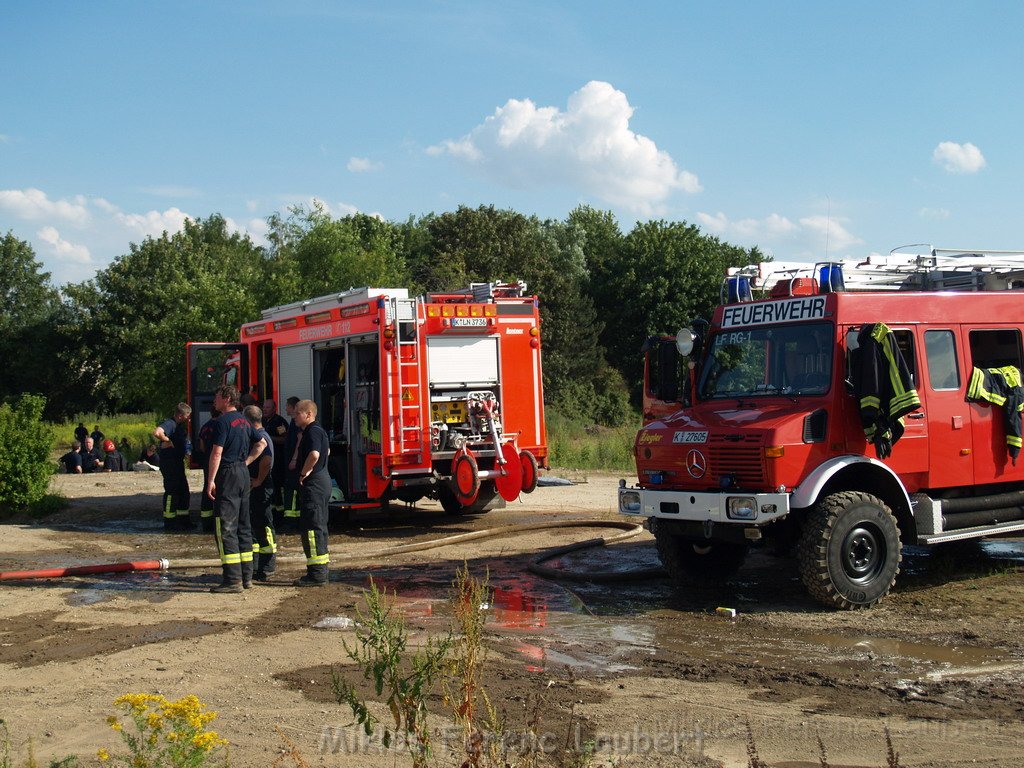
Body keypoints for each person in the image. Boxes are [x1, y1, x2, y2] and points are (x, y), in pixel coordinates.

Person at [206, 385, 267, 593]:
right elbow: (262, 445)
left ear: (225, 398)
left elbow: (216, 454)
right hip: (242, 472)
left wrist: (210, 480)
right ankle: (246, 577)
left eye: (216, 396)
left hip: (228, 474)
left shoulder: (222, 422)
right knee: (243, 525)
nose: (214, 400)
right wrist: (246, 462)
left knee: (225, 527)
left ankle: (232, 580)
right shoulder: (244, 420)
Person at [293, 399, 332, 587]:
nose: (293, 417)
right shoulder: (319, 431)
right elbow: (328, 451)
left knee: (312, 528)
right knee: (318, 526)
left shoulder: (312, 431)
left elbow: (315, 454)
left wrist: (305, 471)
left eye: (297, 413)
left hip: (314, 484)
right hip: (322, 481)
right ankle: (319, 572)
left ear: (308, 414)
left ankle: (317, 575)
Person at [244, 405, 277, 581]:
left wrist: (258, 480)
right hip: (257, 487)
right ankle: (257, 566)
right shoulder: (257, 436)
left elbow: (266, 460)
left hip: (262, 486)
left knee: (265, 526)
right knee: (255, 526)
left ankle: (268, 566)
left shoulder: (262, 437)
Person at [153, 403, 192, 531]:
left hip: (177, 462)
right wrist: (166, 440)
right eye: (187, 415)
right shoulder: (170, 424)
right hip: (170, 464)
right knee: (172, 492)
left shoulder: (178, 426)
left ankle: (183, 521)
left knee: (183, 491)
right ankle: (169, 523)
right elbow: (157, 432)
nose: (189, 418)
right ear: (180, 415)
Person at [262, 399, 289, 524]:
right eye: (264, 407)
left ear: (274, 409)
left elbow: (284, 440)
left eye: (268, 407)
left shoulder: (279, 423)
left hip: (278, 461)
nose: (265, 409)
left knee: (277, 489)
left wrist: (268, 438)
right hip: (267, 461)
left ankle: (280, 517)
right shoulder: (263, 421)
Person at [194, 407, 220, 533]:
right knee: (220, 489)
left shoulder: (205, 427)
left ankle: (206, 522)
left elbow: (202, 446)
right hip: (218, 462)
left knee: (207, 489)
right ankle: (218, 521)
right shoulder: (222, 426)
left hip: (207, 461)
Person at [281, 396, 303, 531]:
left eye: (287, 406)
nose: (285, 408)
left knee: (292, 492)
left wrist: (294, 459)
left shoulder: (296, 423)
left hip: (294, 465)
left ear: (293, 407)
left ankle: (291, 523)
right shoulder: (293, 422)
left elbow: (299, 441)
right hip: (291, 463)